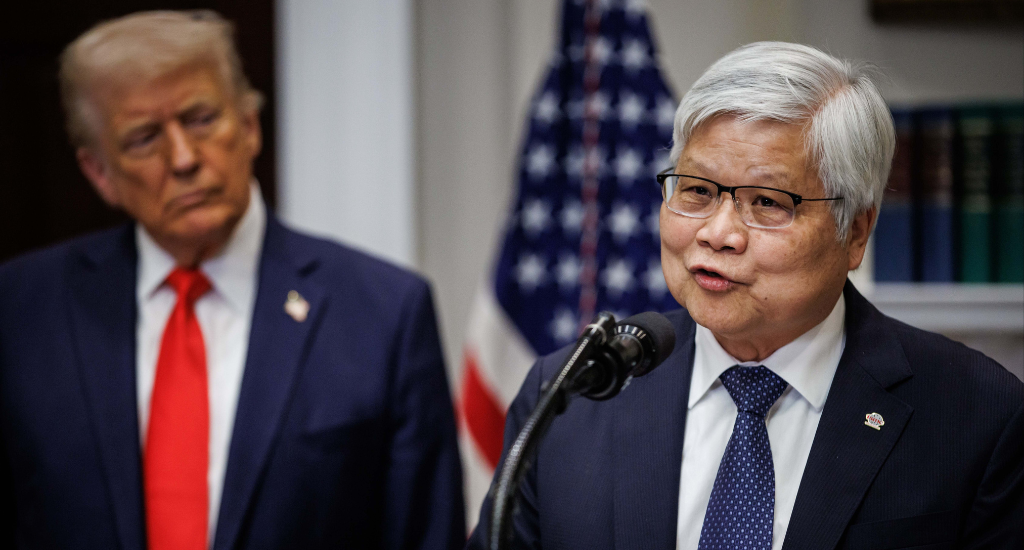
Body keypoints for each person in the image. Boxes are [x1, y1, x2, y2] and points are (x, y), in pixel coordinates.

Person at [467, 42, 1023, 549]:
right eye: (698, 192)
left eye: (767, 203)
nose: (718, 233)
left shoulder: (978, 415)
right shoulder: (575, 392)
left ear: (855, 231)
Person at [0, 10, 464, 550]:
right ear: (99, 172)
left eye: (200, 119)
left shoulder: (383, 312)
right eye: (144, 138)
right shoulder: (21, 310)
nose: (184, 158)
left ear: (249, 126)